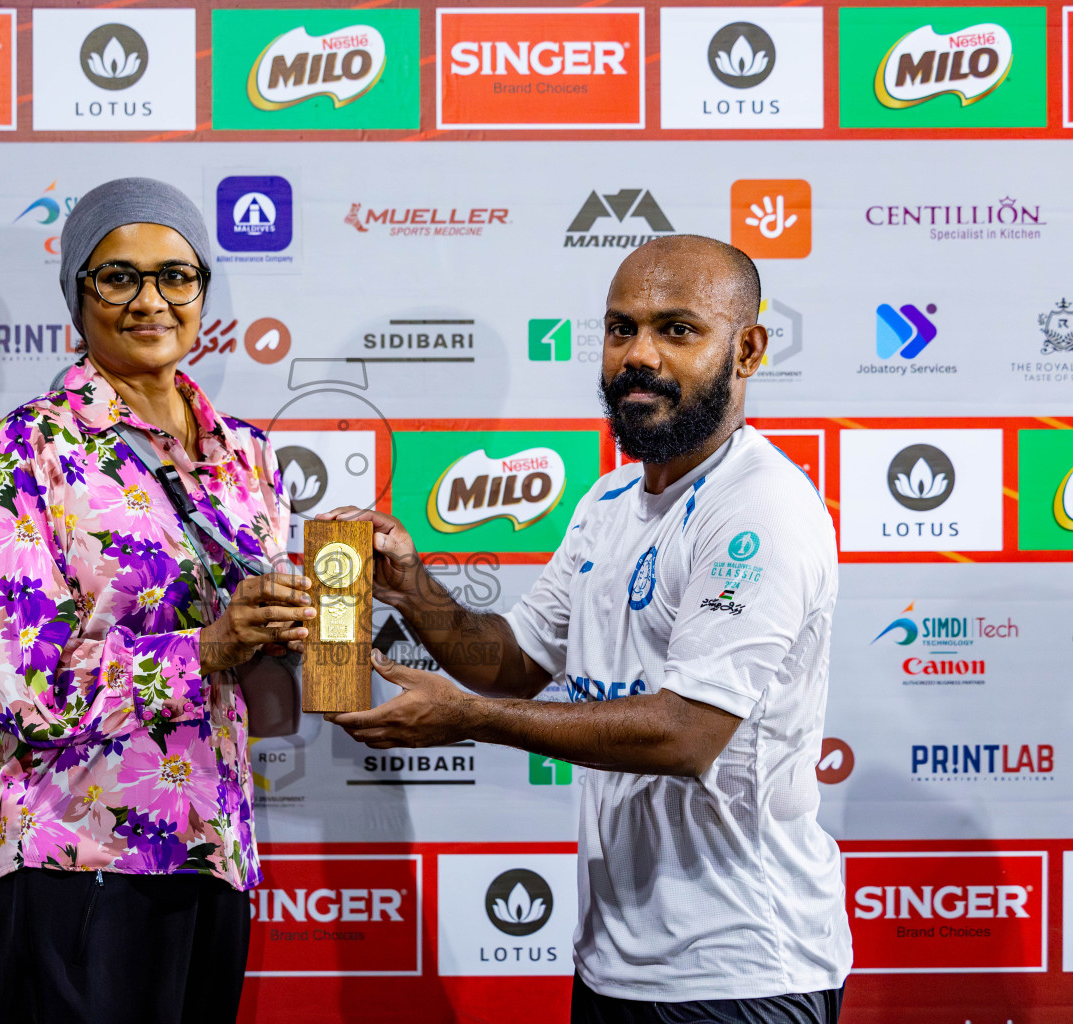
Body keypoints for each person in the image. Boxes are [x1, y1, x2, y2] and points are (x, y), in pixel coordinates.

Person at [323, 235, 851, 1024]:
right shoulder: (608, 502)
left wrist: (467, 721)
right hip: (615, 963)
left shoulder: (760, 510)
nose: (639, 356)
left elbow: (686, 734)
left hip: (742, 972)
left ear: (747, 351)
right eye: (620, 329)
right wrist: (413, 590)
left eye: (677, 330)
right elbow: (515, 666)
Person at [0, 177, 311, 1024]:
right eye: (118, 277)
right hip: (71, 855)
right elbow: (18, 690)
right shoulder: (29, 448)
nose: (150, 300)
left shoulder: (248, 456)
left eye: (175, 276)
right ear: (78, 293)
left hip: (209, 850)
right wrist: (210, 647)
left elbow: (263, 678)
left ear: (202, 292)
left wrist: (310, 621)